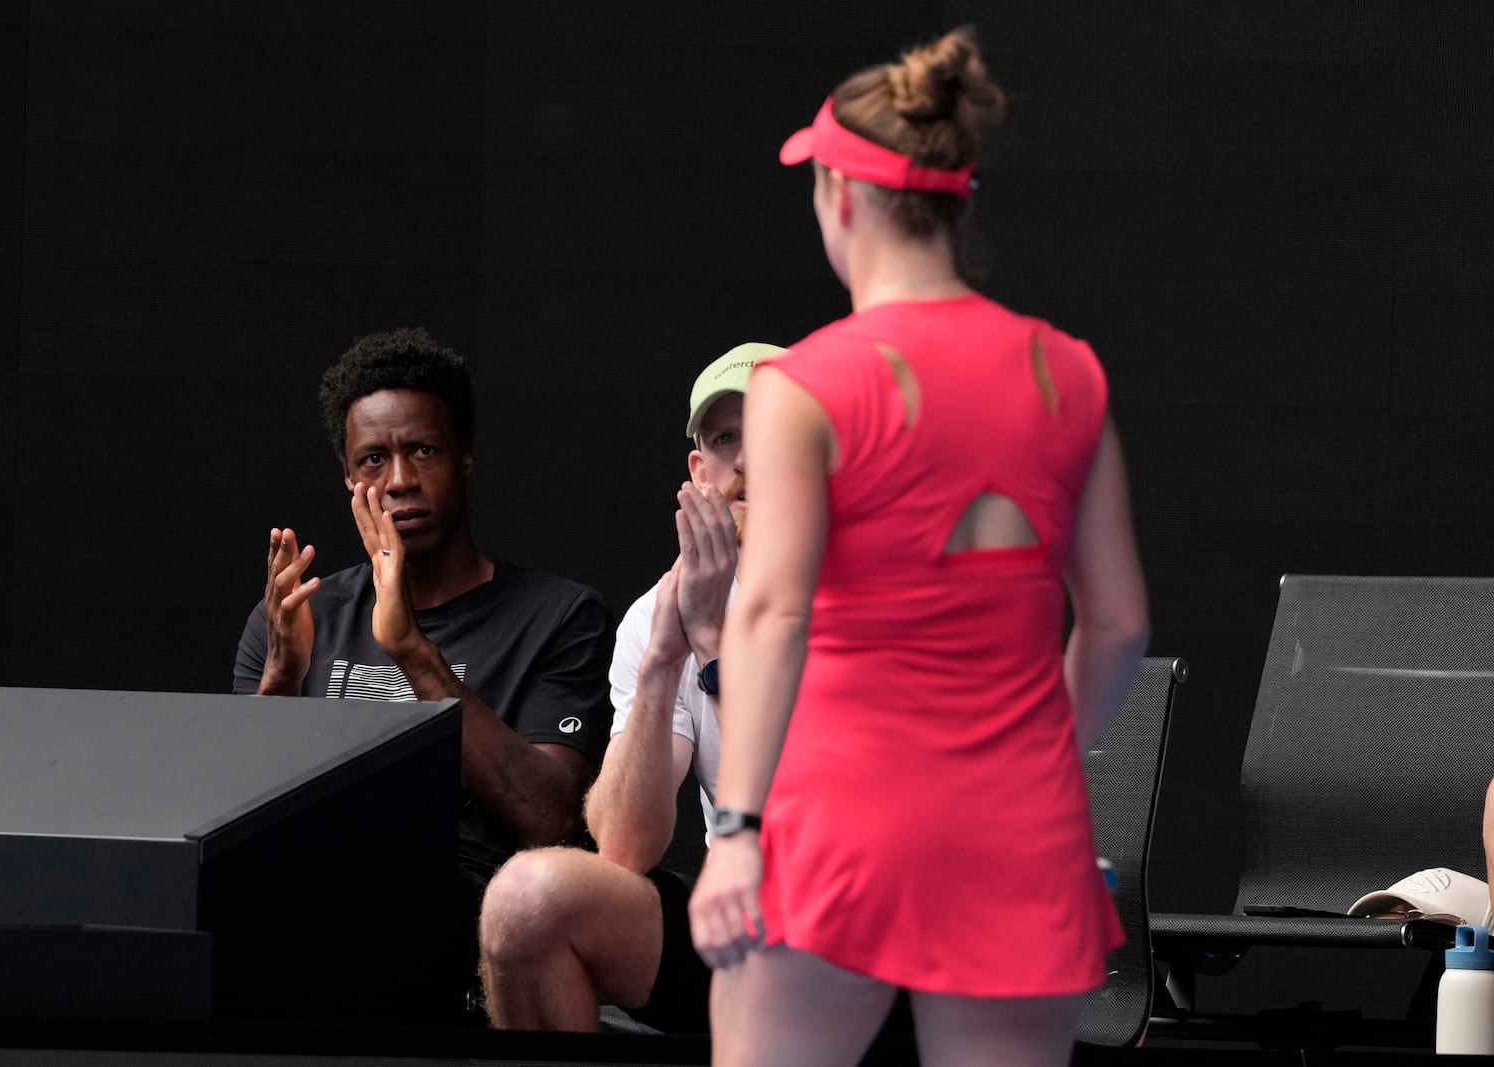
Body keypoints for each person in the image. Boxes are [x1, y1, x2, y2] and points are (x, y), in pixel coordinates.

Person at [687, 28, 1150, 1067]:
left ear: (840, 195)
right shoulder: (1068, 373)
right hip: (1019, 832)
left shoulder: (804, 384)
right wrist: (1033, 771)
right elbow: (1116, 625)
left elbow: (770, 610)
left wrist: (735, 830)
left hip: (838, 821)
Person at [233, 327, 614, 1017]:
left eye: (424, 450)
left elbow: (551, 821)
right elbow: (228, 835)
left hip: (469, 936)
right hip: (313, 916)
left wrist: (412, 650)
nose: (400, 480)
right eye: (373, 459)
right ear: (350, 479)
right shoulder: (294, 618)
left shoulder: (560, 617)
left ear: (465, 456)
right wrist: (283, 681)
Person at [477, 343, 782, 1033]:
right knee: (527, 901)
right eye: (726, 437)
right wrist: (664, 659)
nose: (749, 459)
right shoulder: (660, 615)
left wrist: (712, 650)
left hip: (880, 944)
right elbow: (623, 848)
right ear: (700, 473)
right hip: (750, 936)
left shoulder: (880, 598)